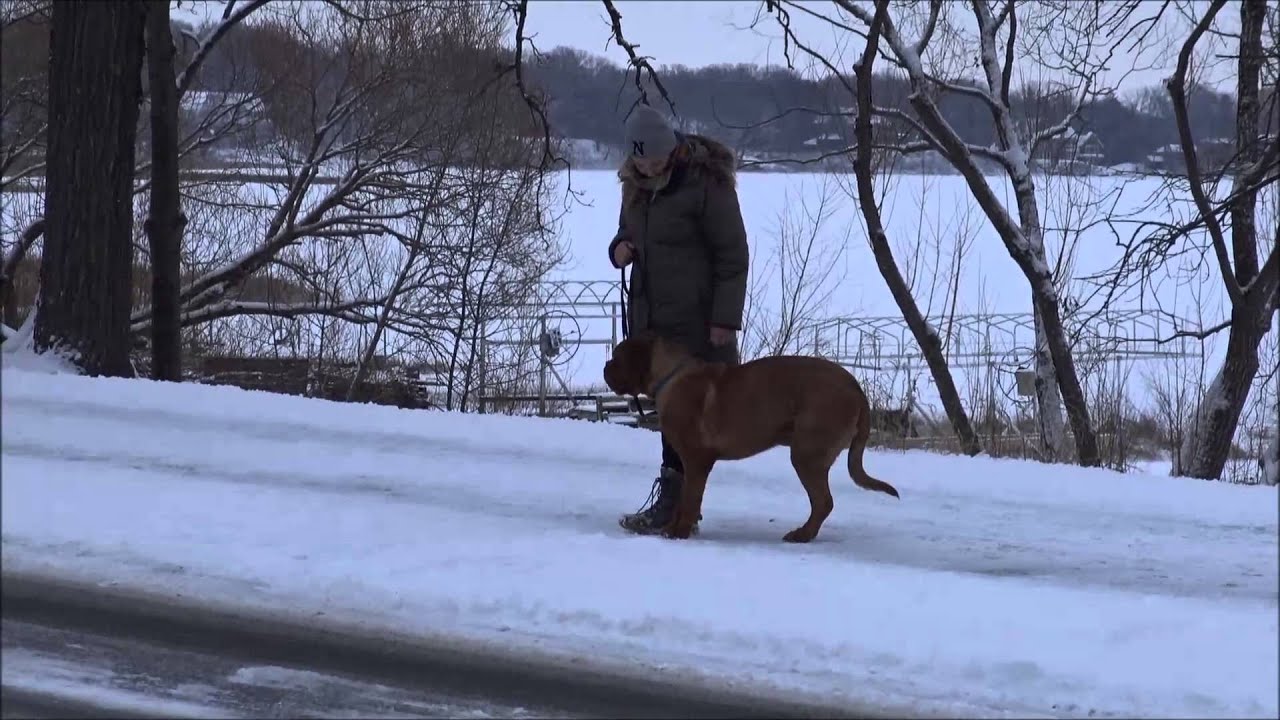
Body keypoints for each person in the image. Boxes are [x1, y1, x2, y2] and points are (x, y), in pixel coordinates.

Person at [607, 103, 750, 535]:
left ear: (670, 149)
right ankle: (676, 503)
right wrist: (619, 250)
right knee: (671, 416)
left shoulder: (707, 183)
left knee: (689, 416)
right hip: (653, 321)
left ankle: (677, 505)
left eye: (652, 159)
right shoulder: (634, 186)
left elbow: (733, 254)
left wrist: (725, 319)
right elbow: (625, 232)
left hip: (699, 321)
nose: (647, 167)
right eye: (639, 159)